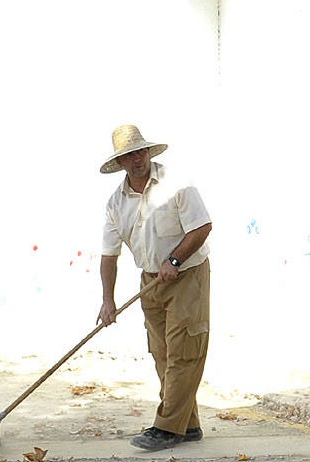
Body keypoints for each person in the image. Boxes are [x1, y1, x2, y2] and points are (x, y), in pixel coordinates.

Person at [96, 124, 214, 451]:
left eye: (140, 151)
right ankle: (187, 425)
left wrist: (174, 261)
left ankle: (165, 427)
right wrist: (108, 301)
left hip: (187, 275)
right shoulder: (115, 203)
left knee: (184, 351)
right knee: (162, 354)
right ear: (119, 163)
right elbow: (109, 255)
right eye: (129, 155)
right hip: (150, 282)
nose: (137, 159)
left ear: (148, 152)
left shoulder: (177, 184)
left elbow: (202, 226)